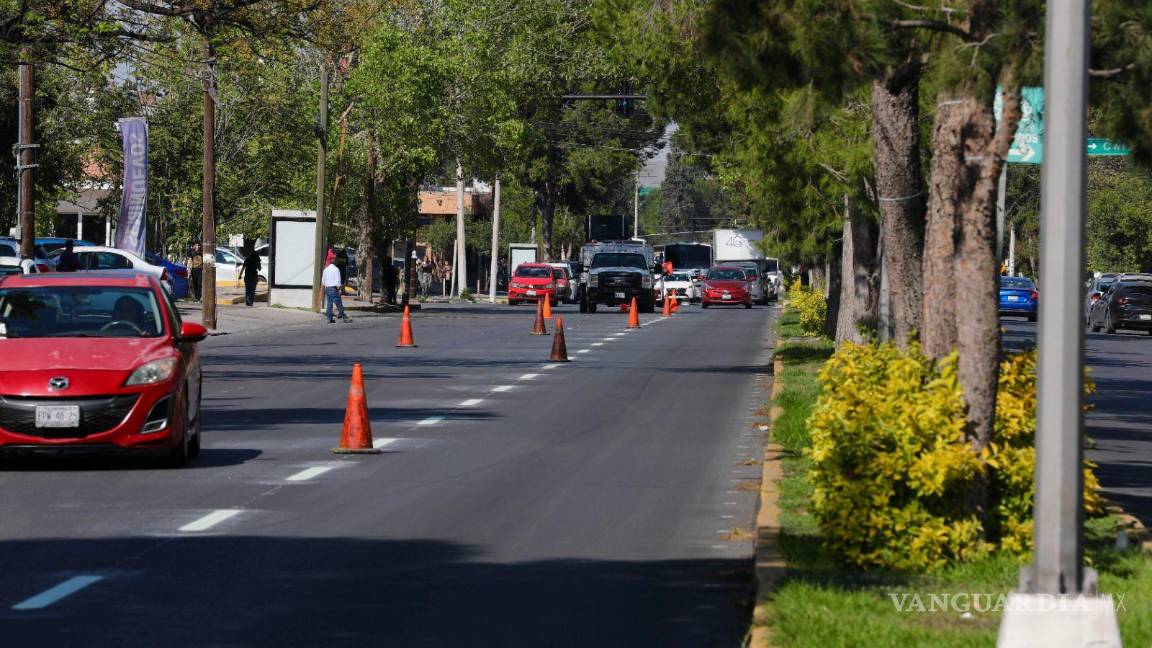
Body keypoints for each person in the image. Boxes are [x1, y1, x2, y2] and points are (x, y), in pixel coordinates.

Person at [322, 256, 351, 323]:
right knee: (338, 303)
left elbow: (323, 281)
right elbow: (338, 281)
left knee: (329, 304)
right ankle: (344, 317)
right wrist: (340, 289)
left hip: (328, 288)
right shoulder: (336, 269)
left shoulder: (326, 269)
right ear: (335, 262)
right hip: (334, 288)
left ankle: (329, 318)